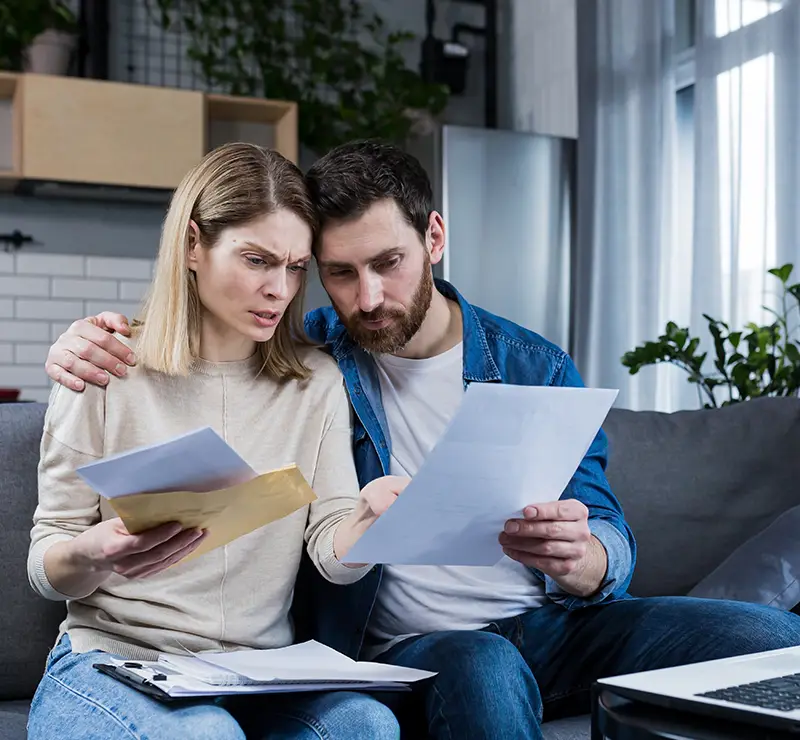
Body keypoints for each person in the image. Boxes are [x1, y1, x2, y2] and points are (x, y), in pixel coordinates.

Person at [45, 140, 800, 740]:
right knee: (481, 660)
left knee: (763, 633)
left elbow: (603, 529)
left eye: (388, 263)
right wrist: (82, 342)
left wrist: (586, 557)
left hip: (555, 626)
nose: (367, 297)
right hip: (420, 644)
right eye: (338, 274)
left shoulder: (532, 365)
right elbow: (212, 349)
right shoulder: (322, 355)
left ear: (433, 237)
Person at [27, 142, 404, 740]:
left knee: (367, 725)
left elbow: (333, 553)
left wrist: (371, 521)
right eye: (257, 260)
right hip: (114, 660)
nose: (280, 290)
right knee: (205, 734)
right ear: (192, 246)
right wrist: (94, 552)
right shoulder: (103, 368)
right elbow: (47, 561)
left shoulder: (316, 386)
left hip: (251, 673)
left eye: (295, 266)